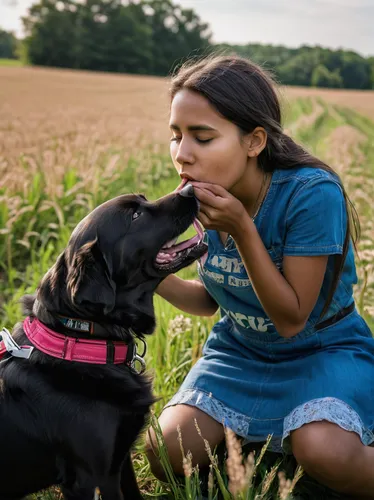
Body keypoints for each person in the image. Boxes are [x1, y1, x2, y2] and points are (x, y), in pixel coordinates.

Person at [145, 54, 374, 498]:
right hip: (241, 351)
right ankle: (263, 447)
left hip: (321, 349)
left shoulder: (311, 195)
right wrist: (151, 273)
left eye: (202, 137)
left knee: (324, 450)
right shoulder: (203, 195)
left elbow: (291, 319)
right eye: (175, 136)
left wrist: (242, 229)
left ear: (254, 141)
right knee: (166, 451)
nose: (183, 153)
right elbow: (212, 300)